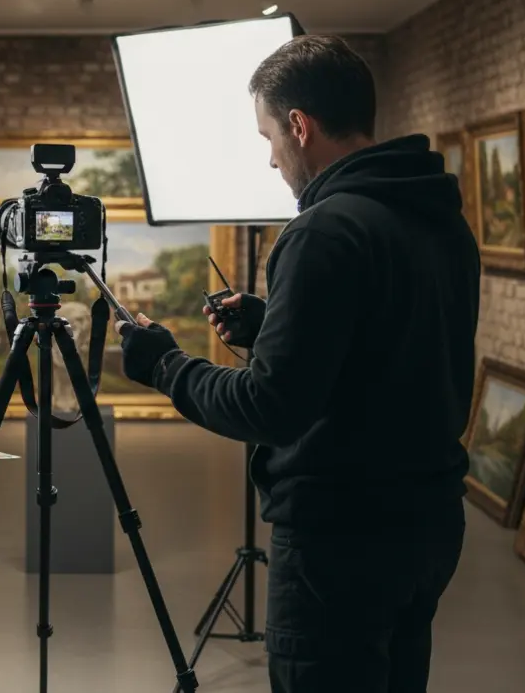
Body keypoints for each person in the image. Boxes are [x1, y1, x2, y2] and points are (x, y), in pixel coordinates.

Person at [116, 34, 480, 693]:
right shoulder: (437, 217)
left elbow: (270, 408)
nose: (272, 162)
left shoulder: (321, 232)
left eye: (267, 140)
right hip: (426, 524)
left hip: (339, 542)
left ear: (298, 126)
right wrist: (273, 326)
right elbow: (391, 349)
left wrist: (165, 365)